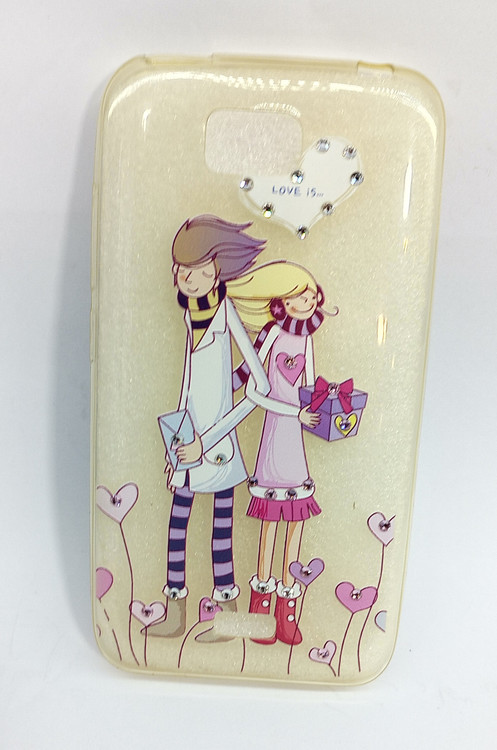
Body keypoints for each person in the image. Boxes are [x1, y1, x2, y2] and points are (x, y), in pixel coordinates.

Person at [149, 215, 270, 641]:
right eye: (183, 269)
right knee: (176, 527)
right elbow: (190, 385)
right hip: (187, 444)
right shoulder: (191, 317)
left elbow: (259, 388)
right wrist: (177, 445)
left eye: (198, 268)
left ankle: (228, 618)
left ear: (217, 270)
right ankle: (175, 613)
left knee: (221, 535)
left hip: (217, 447)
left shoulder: (225, 313)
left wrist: (208, 439)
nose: (189, 276)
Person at [230, 261, 337, 645]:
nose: (306, 302)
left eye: (309, 296)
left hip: (298, 440)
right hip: (276, 436)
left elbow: (310, 387)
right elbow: (254, 390)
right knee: (271, 524)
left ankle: (286, 614)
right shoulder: (273, 333)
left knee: (296, 521)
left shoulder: (306, 340)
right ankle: (261, 611)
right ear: (281, 302)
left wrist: (330, 401)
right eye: (296, 297)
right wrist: (296, 413)